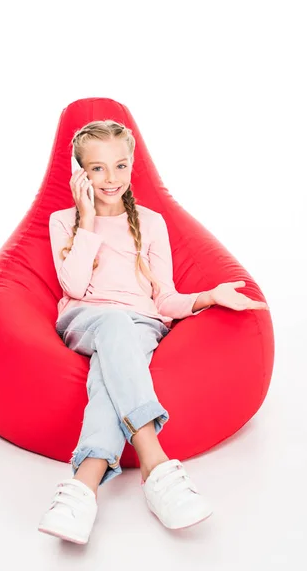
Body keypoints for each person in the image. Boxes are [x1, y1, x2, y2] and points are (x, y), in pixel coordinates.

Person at [37, 120, 270, 545]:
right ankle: (156, 463)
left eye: (121, 166)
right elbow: (72, 286)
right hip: (86, 319)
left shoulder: (151, 222)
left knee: (108, 371)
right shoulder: (63, 221)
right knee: (112, 324)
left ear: (132, 166)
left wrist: (208, 297)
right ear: (80, 175)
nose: (112, 179)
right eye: (98, 169)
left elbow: (164, 300)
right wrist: (87, 220)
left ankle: (82, 489)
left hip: (140, 325)